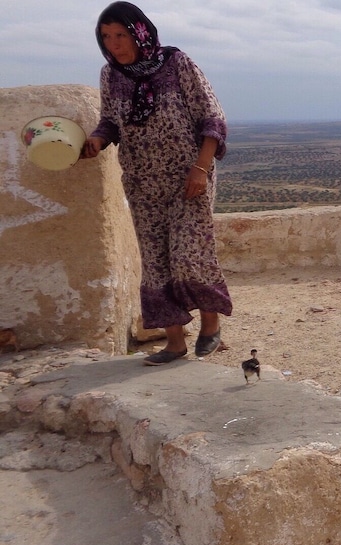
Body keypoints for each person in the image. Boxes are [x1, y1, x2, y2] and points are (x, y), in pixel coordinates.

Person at [82, 1, 232, 365]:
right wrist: (96, 141)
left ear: (139, 31)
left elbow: (211, 117)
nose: (114, 44)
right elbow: (110, 122)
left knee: (188, 254)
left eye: (120, 35)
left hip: (189, 177)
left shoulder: (176, 63)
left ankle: (210, 325)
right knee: (155, 262)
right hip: (141, 181)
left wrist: (200, 167)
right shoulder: (110, 75)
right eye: (106, 37)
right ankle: (175, 342)